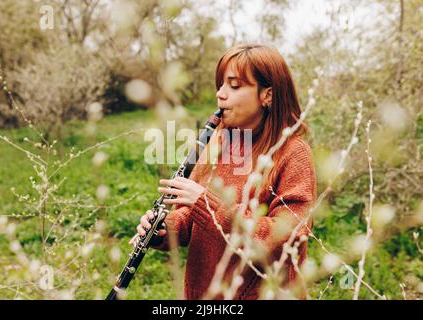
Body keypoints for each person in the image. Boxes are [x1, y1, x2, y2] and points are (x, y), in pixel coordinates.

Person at [130, 44, 317, 300]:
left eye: (234, 86)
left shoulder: (293, 154)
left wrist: (206, 203)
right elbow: (189, 218)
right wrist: (164, 229)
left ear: (268, 95)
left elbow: (285, 242)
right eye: (220, 85)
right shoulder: (218, 144)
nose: (221, 95)